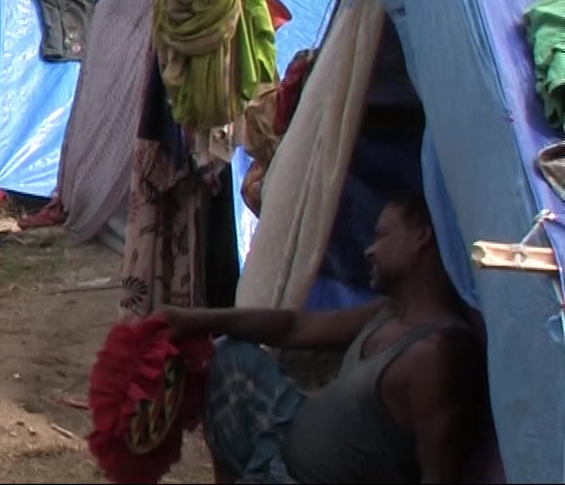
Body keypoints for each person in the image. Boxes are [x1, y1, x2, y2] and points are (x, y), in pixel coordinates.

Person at [160, 192, 483, 484]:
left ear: (421, 237)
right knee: (229, 359)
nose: (370, 250)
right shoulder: (389, 312)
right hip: (286, 441)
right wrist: (196, 320)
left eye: (382, 236)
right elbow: (293, 328)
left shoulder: (437, 353)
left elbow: (439, 475)